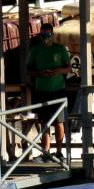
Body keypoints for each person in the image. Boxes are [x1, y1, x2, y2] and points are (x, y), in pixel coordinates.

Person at [26, 23, 72, 160]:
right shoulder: (35, 50)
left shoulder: (60, 49)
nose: (46, 37)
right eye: (43, 34)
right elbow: (28, 70)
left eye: (48, 34)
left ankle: (59, 152)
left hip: (58, 91)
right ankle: (46, 152)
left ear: (53, 34)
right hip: (42, 91)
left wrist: (57, 71)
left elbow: (69, 68)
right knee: (44, 122)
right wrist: (40, 73)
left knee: (59, 122)